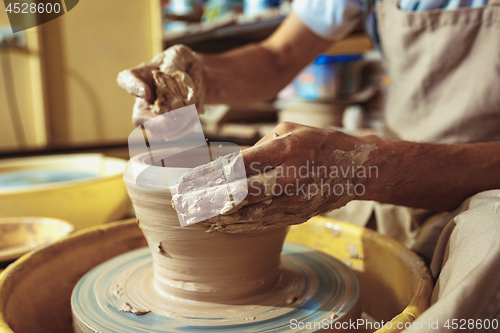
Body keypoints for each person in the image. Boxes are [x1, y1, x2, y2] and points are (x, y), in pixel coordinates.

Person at [118, 0, 500, 331]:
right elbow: (278, 56)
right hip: (386, 164)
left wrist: (365, 166)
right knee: (276, 199)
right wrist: (198, 76)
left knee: (489, 248)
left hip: (481, 179)